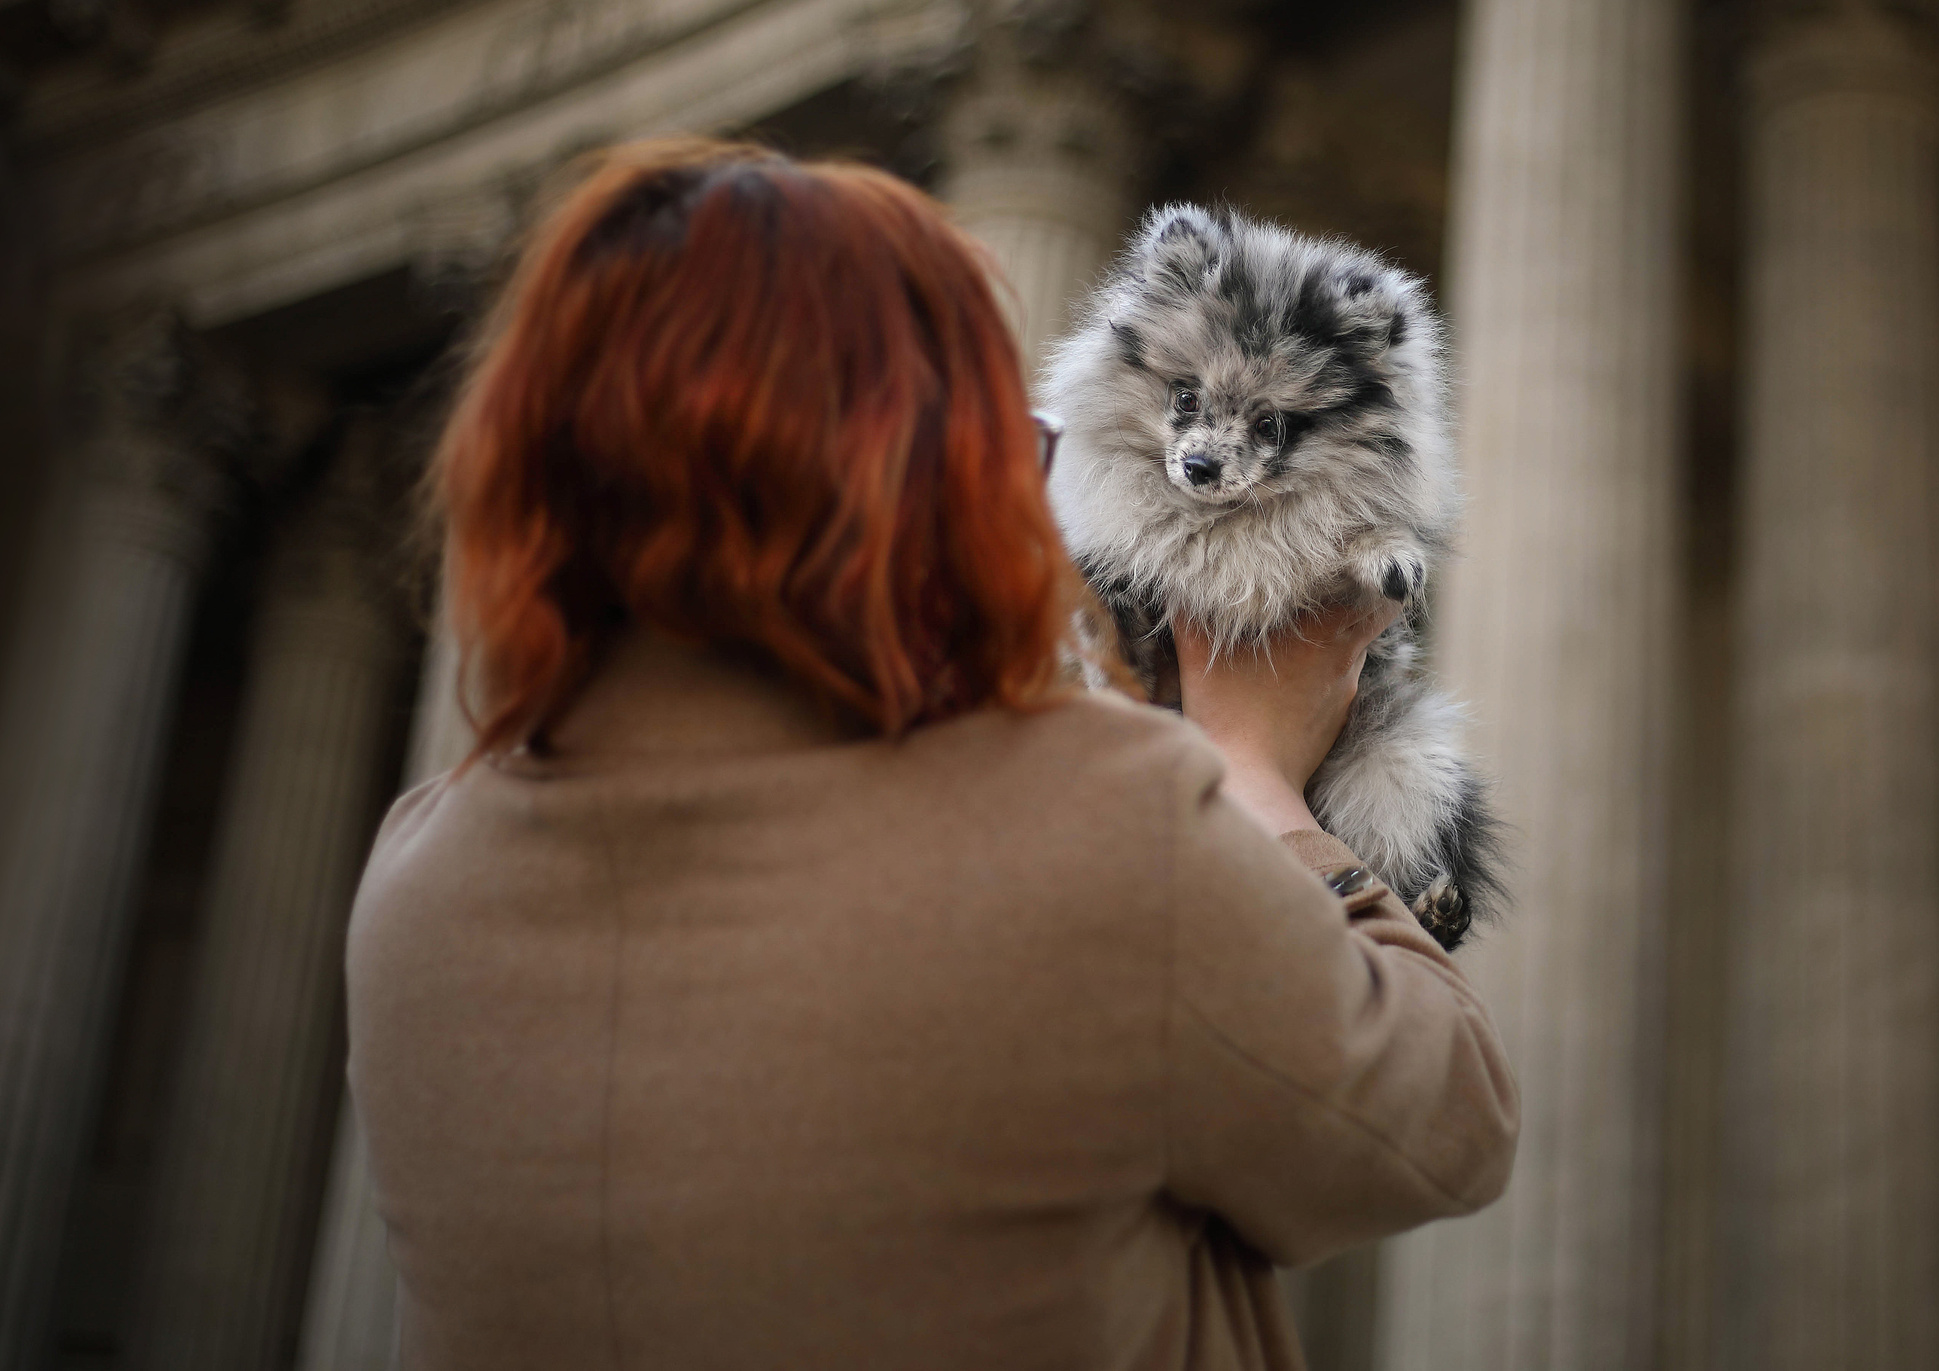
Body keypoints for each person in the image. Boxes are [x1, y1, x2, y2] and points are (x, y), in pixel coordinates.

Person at [344, 136, 1518, 1370]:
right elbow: (1446, 1124)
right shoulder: (1088, 825)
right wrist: (1257, 769)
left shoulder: (423, 878)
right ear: (923, 451)